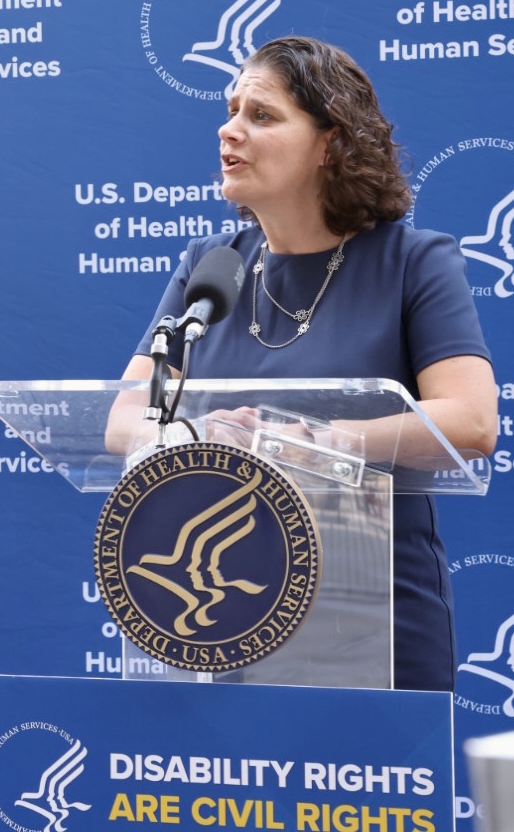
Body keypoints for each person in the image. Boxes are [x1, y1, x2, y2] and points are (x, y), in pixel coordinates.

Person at [110, 35, 496, 692]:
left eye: (261, 115)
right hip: (220, 619)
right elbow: (125, 417)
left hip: (374, 625)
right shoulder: (213, 267)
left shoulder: (413, 263)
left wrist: (317, 443)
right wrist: (195, 437)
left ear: (330, 144)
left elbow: (471, 423)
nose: (229, 129)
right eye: (231, 110)